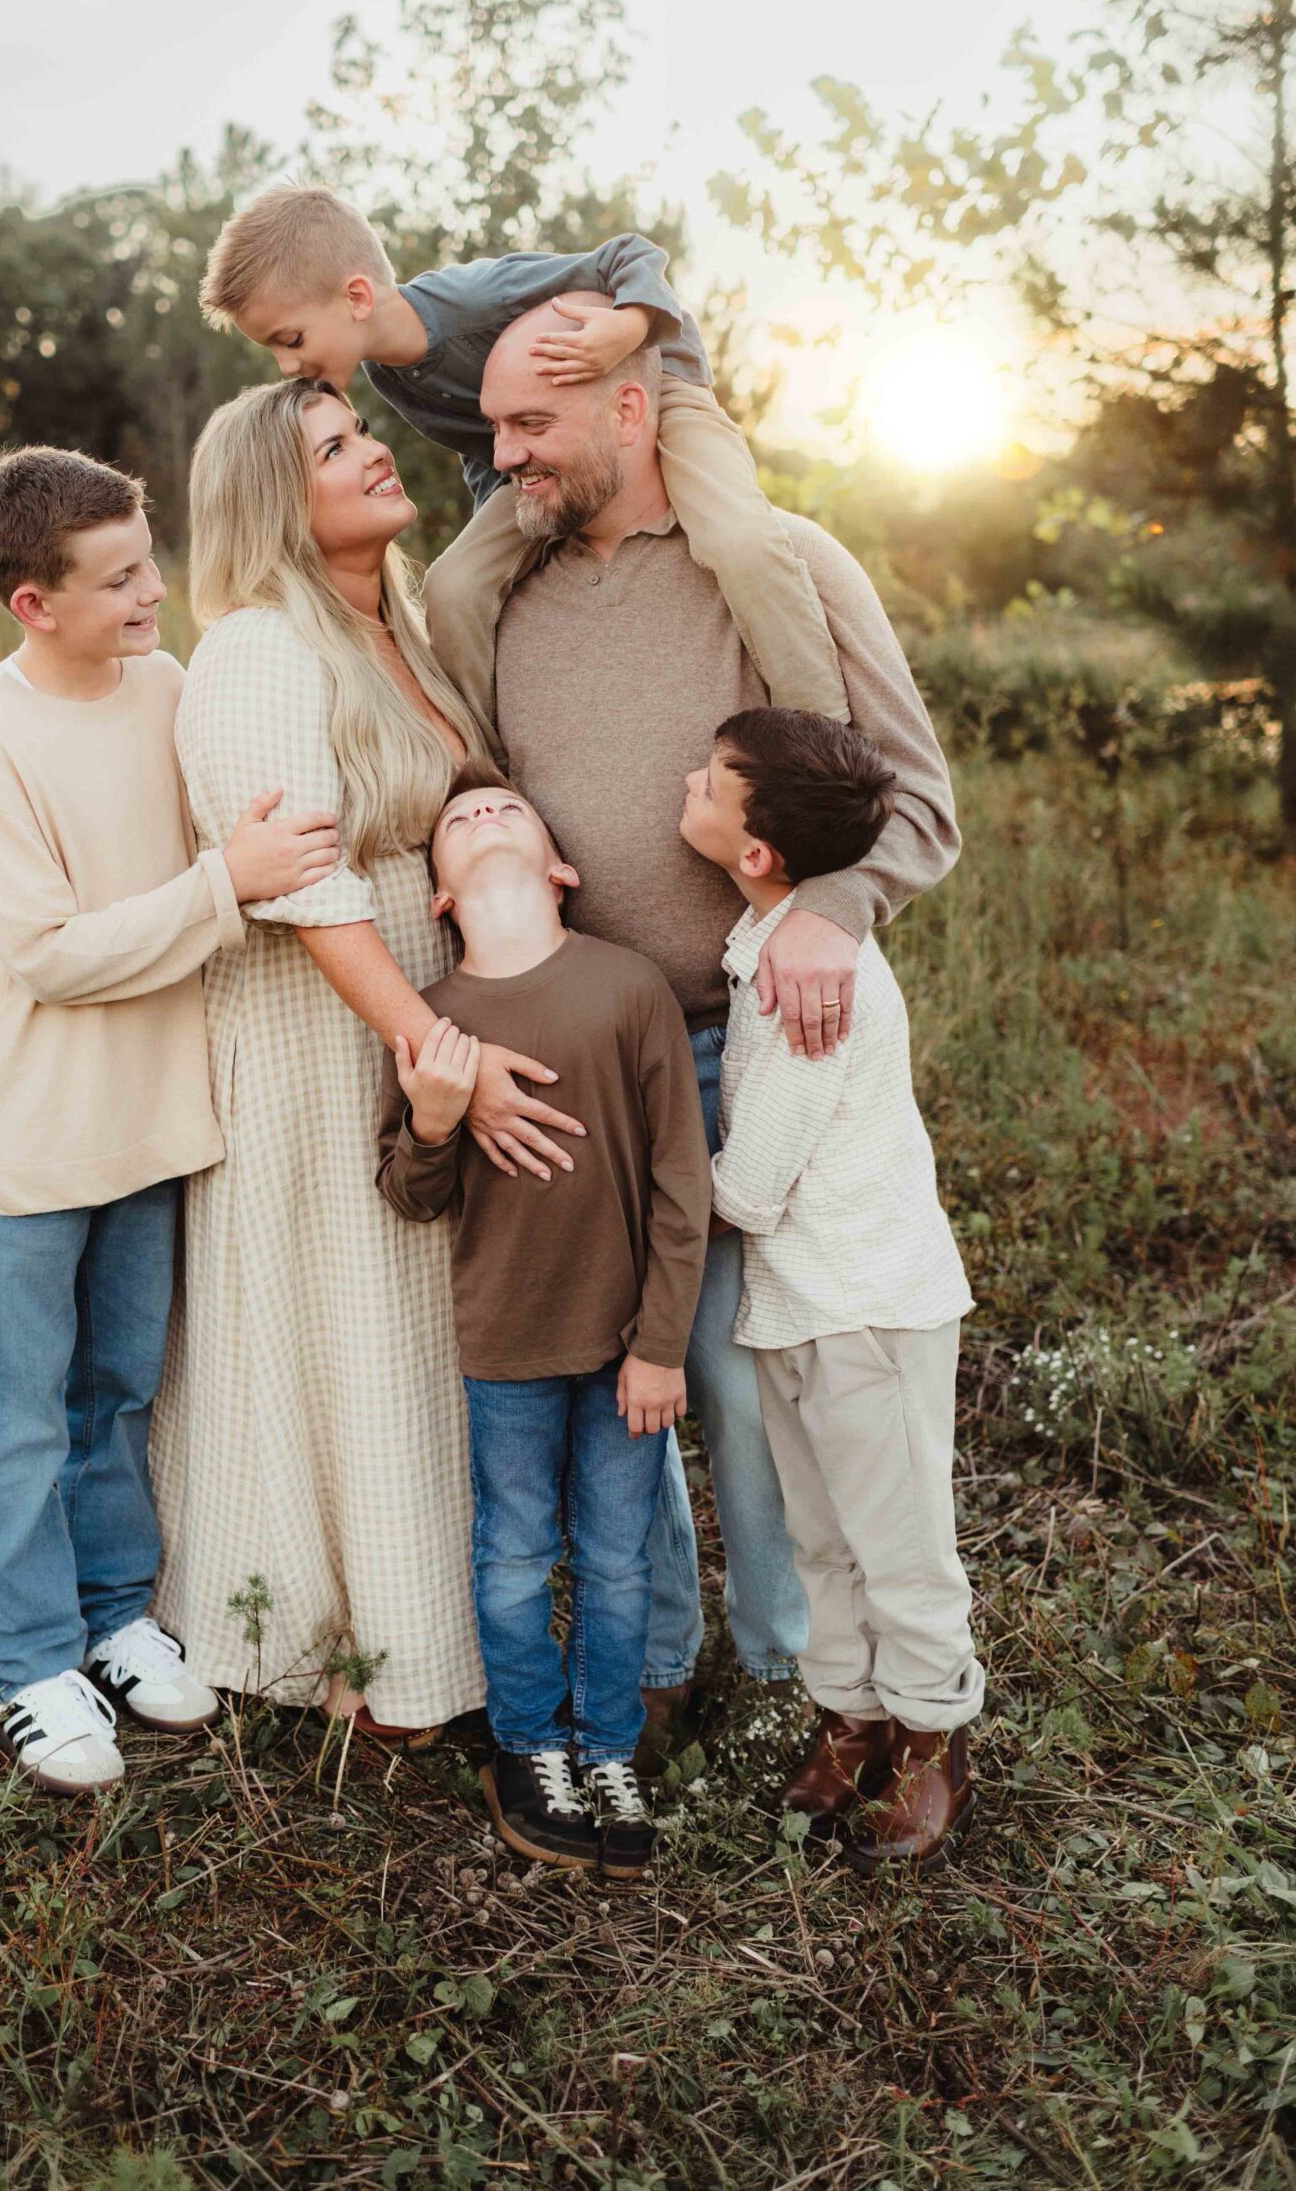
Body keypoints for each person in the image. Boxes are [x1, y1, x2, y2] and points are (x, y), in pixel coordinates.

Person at [470, 302, 962, 1756]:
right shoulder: (507, 595)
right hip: (577, 1068)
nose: (497, 459)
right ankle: (658, 1658)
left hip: (740, 1049)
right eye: (489, 425)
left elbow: (916, 804)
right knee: (623, 1378)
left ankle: (805, 1674)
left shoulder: (784, 568)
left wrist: (833, 906)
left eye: (526, 427)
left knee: (753, 1394)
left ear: (631, 410)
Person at [147, 381, 584, 1732]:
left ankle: (418, 1628)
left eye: (359, 428)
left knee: (403, 1324)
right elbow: (307, 891)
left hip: (408, 1013)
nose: (371, 448)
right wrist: (428, 1042)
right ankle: (332, 1648)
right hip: (311, 1031)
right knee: (336, 1317)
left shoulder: (390, 622)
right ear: (278, 502)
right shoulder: (258, 651)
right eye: (332, 447)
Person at [0, 448, 340, 1793]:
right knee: (19, 1419)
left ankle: (112, 1618)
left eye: (147, 560)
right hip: (33, 1137)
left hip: (153, 1126)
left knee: (116, 1397)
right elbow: (48, 952)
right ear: (32, 605)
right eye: (117, 581)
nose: (153, 592)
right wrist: (225, 883)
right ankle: (28, 1664)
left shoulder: (167, 689)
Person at [376, 765, 708, 1878]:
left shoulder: (627, 988)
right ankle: (527, 1747)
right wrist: (430, 1118)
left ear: (560, 869)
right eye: (458, 820)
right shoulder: (430, 1023)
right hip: (504, 1348)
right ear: (435, 896)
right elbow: (411, 1196)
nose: (480, 816)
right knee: (513, 1553)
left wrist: (661, 1341)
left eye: (507, 808)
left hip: (625, 1353)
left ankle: (607, 1744)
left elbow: (679, 1183)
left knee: (617, 1561)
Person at [196, 184, 849, 740]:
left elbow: (632, 256)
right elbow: (487, 450)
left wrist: (627, 329)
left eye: (290, 340)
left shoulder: (471, 300)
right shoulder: (390, 378)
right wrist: (503, 533)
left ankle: (824, 733)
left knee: (739, 540)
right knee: (454, 588)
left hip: (657, 397)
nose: (285, 366)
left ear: (358, 298)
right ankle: (484, 764)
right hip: (546, 457)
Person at [682, 707, 980, 1869]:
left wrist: (639, 1189)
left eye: (707, 784)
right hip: (800, 1302)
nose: (684, 785)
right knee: (821, 1537)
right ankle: (847, 1715)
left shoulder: (809, 982)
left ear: (756, 854)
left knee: (896, 1536)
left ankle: (929, 1732)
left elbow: (748, 1188)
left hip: (869, 1301)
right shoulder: (762, 944)